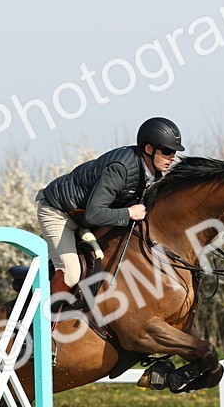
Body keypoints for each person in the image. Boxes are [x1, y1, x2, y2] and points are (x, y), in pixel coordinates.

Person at [35, 117, 185, 298]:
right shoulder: (120, 169)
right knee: (72, 274)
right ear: (149, 149)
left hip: (81, 216)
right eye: (167, 151)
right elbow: (93, 214)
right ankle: (43, 314)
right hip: (59, 212)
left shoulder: (154, 173)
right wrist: (129, 213)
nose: (172, 157)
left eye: (174, 152)